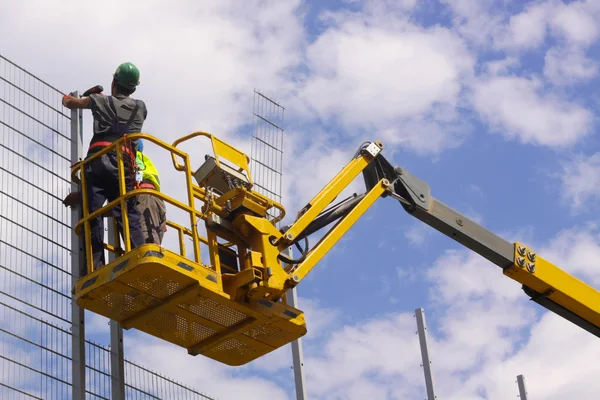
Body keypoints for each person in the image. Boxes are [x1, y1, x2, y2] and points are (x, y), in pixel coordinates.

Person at [62, 62, 147, 271]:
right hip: (124, 164)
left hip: (98, 162)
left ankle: (95, 265)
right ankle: (141, 255)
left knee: (93, 213)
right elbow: (122, 112)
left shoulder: (100, 101)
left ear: (114, 82)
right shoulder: (141, 107)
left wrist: (70, 98)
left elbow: (72, 103)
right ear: (134, 88)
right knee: (127, 212)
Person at [135, 139, 167, 244]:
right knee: (156, 234)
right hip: (157, 199)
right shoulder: (146, 160)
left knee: (147, 236)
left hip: (144, 196)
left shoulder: (134, 156)